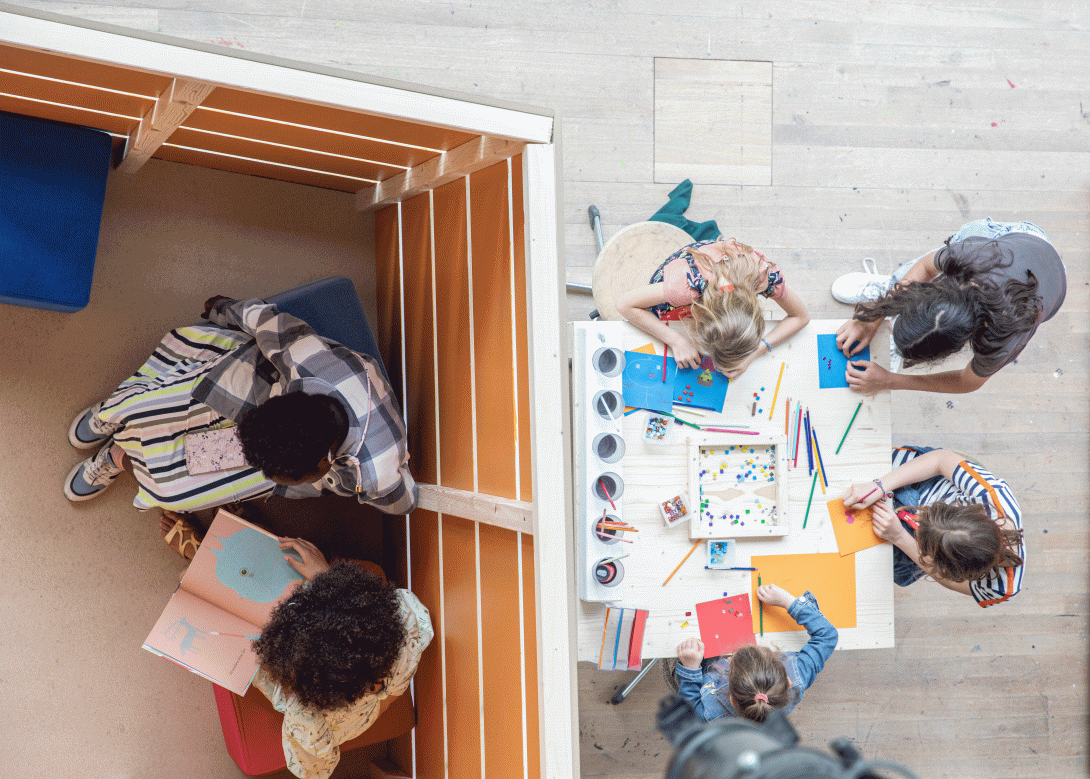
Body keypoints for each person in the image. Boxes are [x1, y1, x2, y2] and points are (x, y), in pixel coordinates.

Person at [63, 296, 417, 533]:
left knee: (181, 483)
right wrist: (223, 308)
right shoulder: (307, 358)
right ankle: (117, 413)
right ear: (290, 399)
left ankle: (119, 454)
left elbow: (404, 502)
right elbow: (264, 320)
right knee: (176, 397)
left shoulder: (376, 473)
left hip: (326, 426)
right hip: (269, 383)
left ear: (320, 467)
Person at [250, 538, 433, 779]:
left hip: (335, 713)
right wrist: (326, 577)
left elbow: (311, 771)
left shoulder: (305, 716)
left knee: (252, 652)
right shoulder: (408, 619)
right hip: (371, 695)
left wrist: (327, 581)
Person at [831, 218, 1066, 394]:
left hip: (1046, 281)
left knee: (927, 269)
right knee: (922, 268)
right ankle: (892, 284)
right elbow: (925, 267)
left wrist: (890, 380)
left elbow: (967, 382)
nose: (890, 327)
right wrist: (872, 319)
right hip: (1015, 238)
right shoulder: (972, 256)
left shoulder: (1002, 339)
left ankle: (896, 285)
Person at [841, 447, 1024, 607]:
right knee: (869, 465)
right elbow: (940, 459)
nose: (918, 518)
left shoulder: (1001, 589)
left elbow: (948, 580)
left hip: (915, 547)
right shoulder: (992, 498)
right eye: (930, 513)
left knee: (873, 565)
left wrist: (900, 537)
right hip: (930, 481)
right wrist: (879, 487)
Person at [616, 238, 809, 378]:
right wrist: (676, 340)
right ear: (699, 315)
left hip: (727, 265)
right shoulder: (686, 287)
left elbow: (801, 317)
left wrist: (756, 352)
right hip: (690, 270)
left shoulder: (764, 278)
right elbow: (624, 304)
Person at [674, 584, 838, 723]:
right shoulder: (798, 675)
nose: (730, 658)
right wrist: (787, 601)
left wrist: (690, 668)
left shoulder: (712, 714)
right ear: (788, 681)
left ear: (731, 698)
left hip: (703, 665)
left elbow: (691, 713)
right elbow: (827, 636)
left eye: (731, 663)